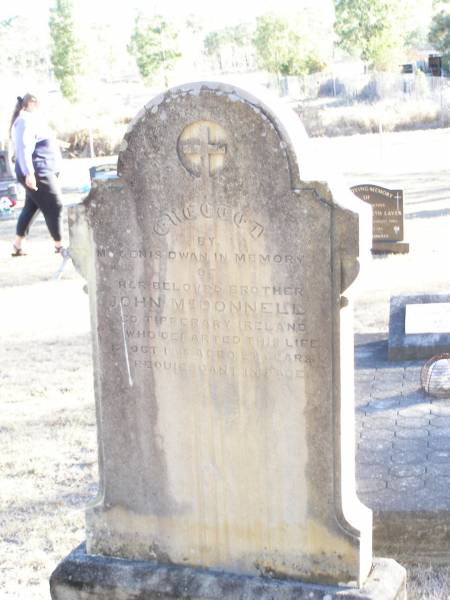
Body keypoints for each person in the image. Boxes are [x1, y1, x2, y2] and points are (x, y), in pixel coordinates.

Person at [10, 93, 65, 256]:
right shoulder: (24, 121)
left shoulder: (32, 120)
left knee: (31, 207)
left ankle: (17, 245)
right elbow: (24, 148)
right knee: (55, 205)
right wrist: (29, 173)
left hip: (42, 170)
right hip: (38, 172)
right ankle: (59, 246)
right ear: (32, 102)